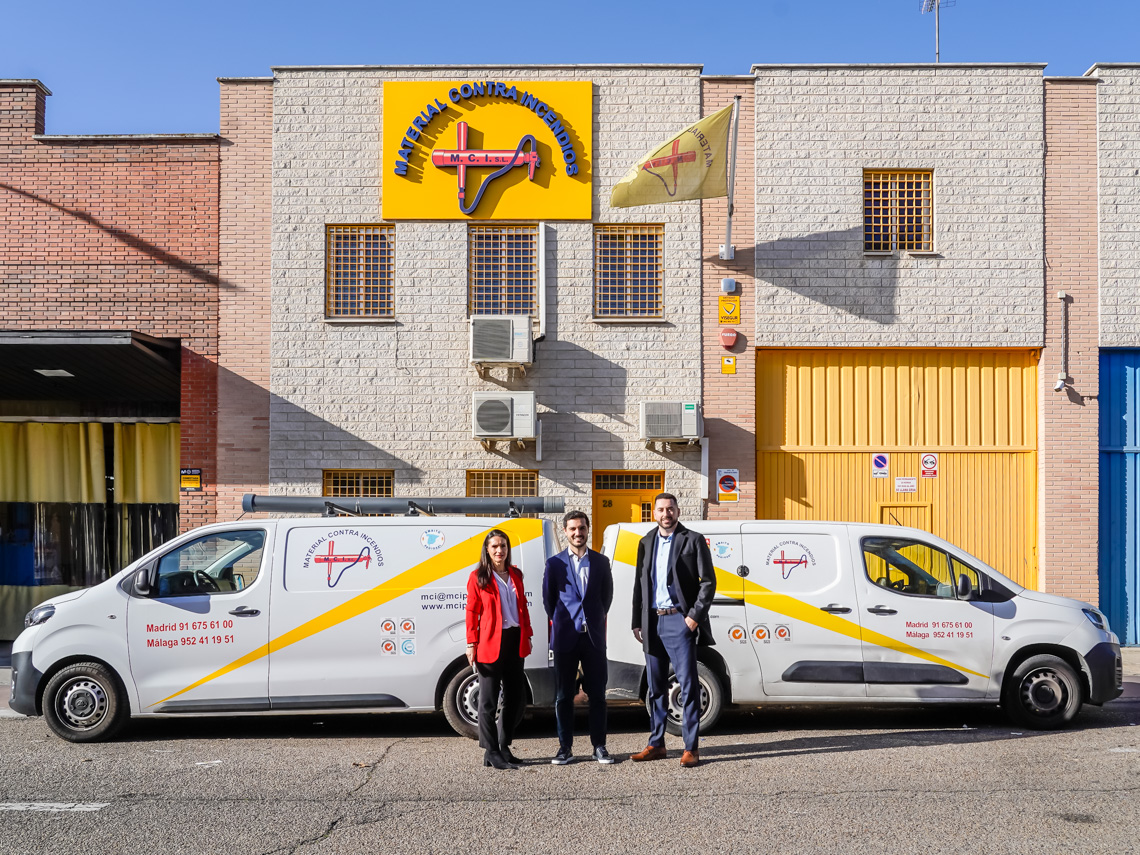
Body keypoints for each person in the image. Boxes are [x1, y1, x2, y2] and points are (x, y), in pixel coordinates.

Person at [630, 493, 716, 768]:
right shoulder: (646, 542)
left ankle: (691, 748)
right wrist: (636, 620)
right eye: (661, 509)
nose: (666, 514)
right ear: (654, 513)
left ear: (677, 511)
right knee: (655, 687)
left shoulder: (693, 540)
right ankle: (657, 744)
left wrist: (693, 617)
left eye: (670, 509)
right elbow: (639, 584)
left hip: (679, 621)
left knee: (688, 686)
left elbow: (708, 582)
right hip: (652, 622)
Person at [542, 510, 615, 766]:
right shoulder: (554, 564)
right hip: (566, 638)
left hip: (593, 638)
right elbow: (549, 601)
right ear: (565, 531)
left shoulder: (601, 562)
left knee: (598, 695)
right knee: (563, 696)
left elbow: (606, 597)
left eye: (582, 528)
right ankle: (565, 748)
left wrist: (594, 618)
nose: (578, 533)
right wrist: (565, 621)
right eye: (572, 529)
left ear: (588, 529)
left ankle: (599, 746)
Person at [465, 529, 533, 770]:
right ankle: (491, 751)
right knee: (488, 701)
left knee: (515, 699)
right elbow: (472, 611)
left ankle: (503, 746)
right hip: (490, 642)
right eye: (494, 546)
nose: (499, 550)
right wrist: (471, 643)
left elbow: (522, 606)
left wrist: (528, 634)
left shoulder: (516, 574)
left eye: (503, 545)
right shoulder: (478, 577)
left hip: (515, 639)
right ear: (487, 549)